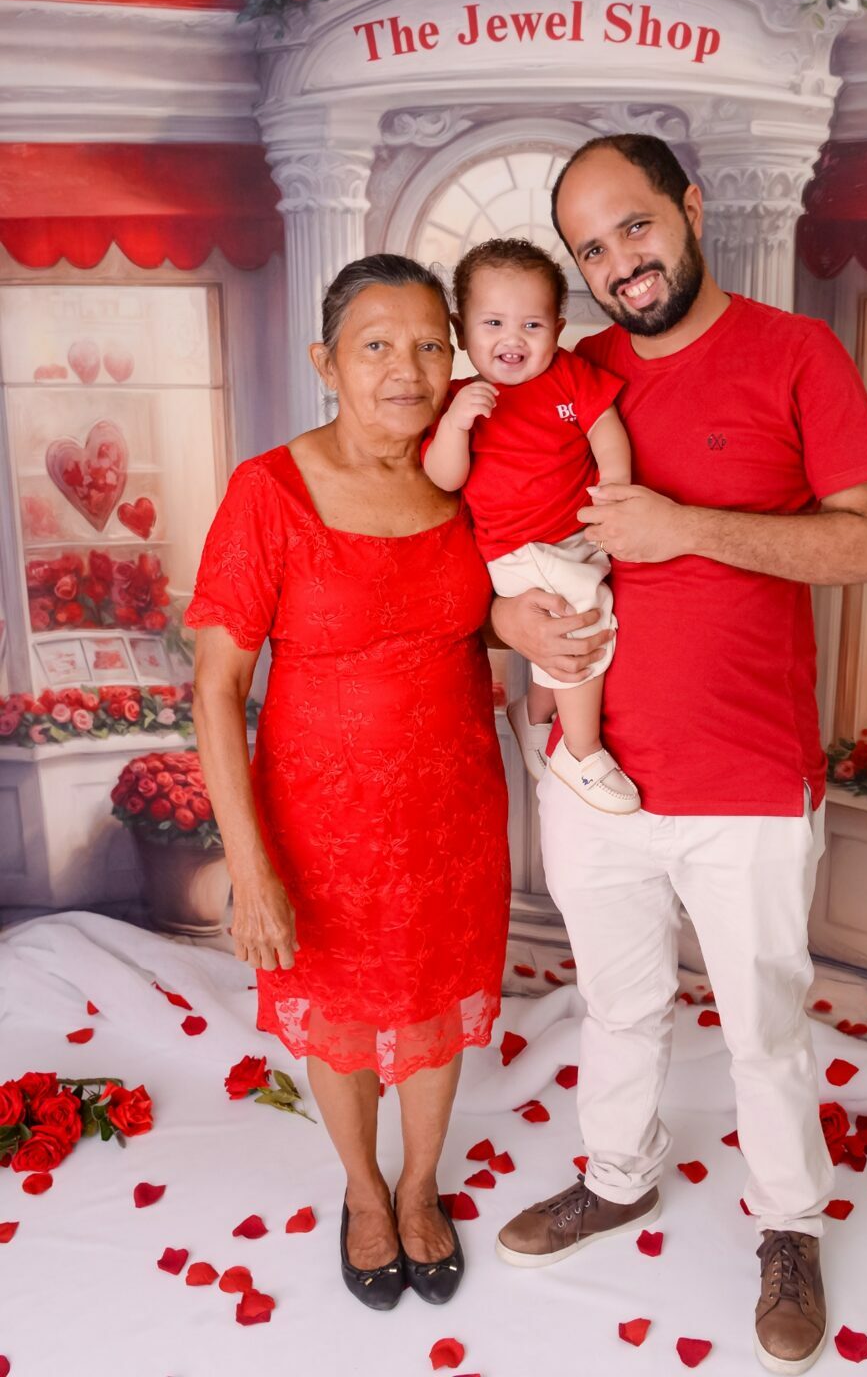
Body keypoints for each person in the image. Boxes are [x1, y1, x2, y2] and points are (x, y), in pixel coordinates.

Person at [490, 136, 867, 1373]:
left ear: (689, 203)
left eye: (634, 226)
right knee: (616, 1007)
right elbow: (485, 531)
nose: (619, 262)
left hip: (748, 778)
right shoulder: (562, 375)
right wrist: (507, 619)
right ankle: (618, 1176)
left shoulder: (796, 353)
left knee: (763, 1027)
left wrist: (685, 527)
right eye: (590, 249)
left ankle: (789, 1224)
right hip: (593, 776)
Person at [187, 254, 510, 1312]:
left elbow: (492, 606)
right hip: (321, 824)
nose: (405, 370)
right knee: (338, 1009)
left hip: (454, 813)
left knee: (433, 1004)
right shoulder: (269, 492)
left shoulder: (467, 477)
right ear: (326, 363)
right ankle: (365, 1190)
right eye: (376, 346)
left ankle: (420, 1186)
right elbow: (216, 689)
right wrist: (250, 870)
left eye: (429, 345)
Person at [423, 236, 638, 815]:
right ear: (461, 331)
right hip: (517, 547)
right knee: (580, 619)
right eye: (493, 323)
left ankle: (534, 712)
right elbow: (444, 477)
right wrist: (456, 426)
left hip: (576, 536)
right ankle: (582, 751)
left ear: (558, 329)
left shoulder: (570, 375)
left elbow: (604, 428)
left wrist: (615, 485)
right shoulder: (461, 399)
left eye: (533, 325)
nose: (512, 339)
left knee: (572, 612)